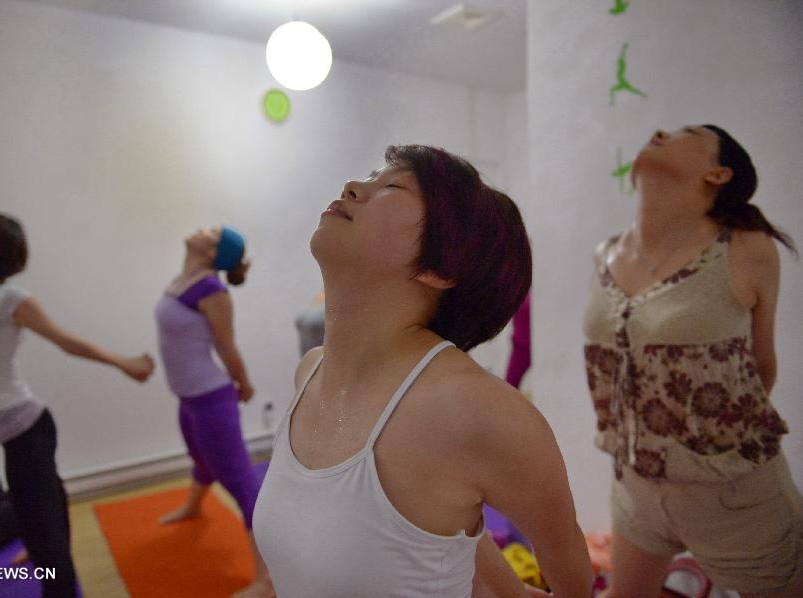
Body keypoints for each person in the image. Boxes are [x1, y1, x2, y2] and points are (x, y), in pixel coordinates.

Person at [253, 145, 592, 597]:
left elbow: (569, 569)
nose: (352, 187)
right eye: (370, 177)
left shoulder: (480, 412)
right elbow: (445, 532)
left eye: (391, 186)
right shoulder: (311, 371)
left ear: (441, 265)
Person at [583, 125, 802, 597]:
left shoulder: (746, 249)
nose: (660, 131)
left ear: (718, 173)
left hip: (732, 493)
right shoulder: (604, 254)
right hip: (634, 485)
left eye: (688, 133)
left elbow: (763, 365)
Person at [0, 212, 154, 598]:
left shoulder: (11, 299)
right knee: (43, 505)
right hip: (16, 428)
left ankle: (54, 574)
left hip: (26, 428)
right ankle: (41, 548)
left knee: (39, 517)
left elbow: (64, 340)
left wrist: (123, 363)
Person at [154, 225, 273, 598]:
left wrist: (245, 384)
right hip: (189, 399)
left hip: (211, 399)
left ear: (212, 252)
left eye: (212, 231)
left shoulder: (213, 291)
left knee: (242, 484)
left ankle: (267, 581)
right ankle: (193, 506)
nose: (202, 228)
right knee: (200, 457)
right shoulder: (181, 281)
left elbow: (226, 346)